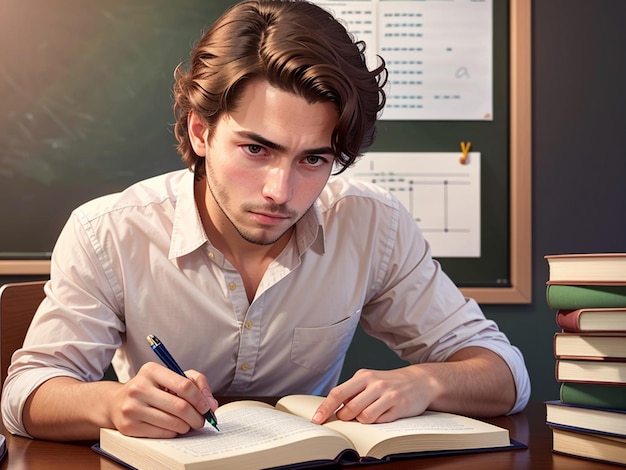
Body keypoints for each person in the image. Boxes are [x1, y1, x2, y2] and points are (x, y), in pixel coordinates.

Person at [1, 0, 530, 441]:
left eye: (313, 159)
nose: (281, 192)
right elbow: (25, 393)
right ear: (201, 133)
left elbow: (506, 374)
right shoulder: (107, 231)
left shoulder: (373, 225)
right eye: (257, 148)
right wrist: (113, 403)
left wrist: (426, 383)